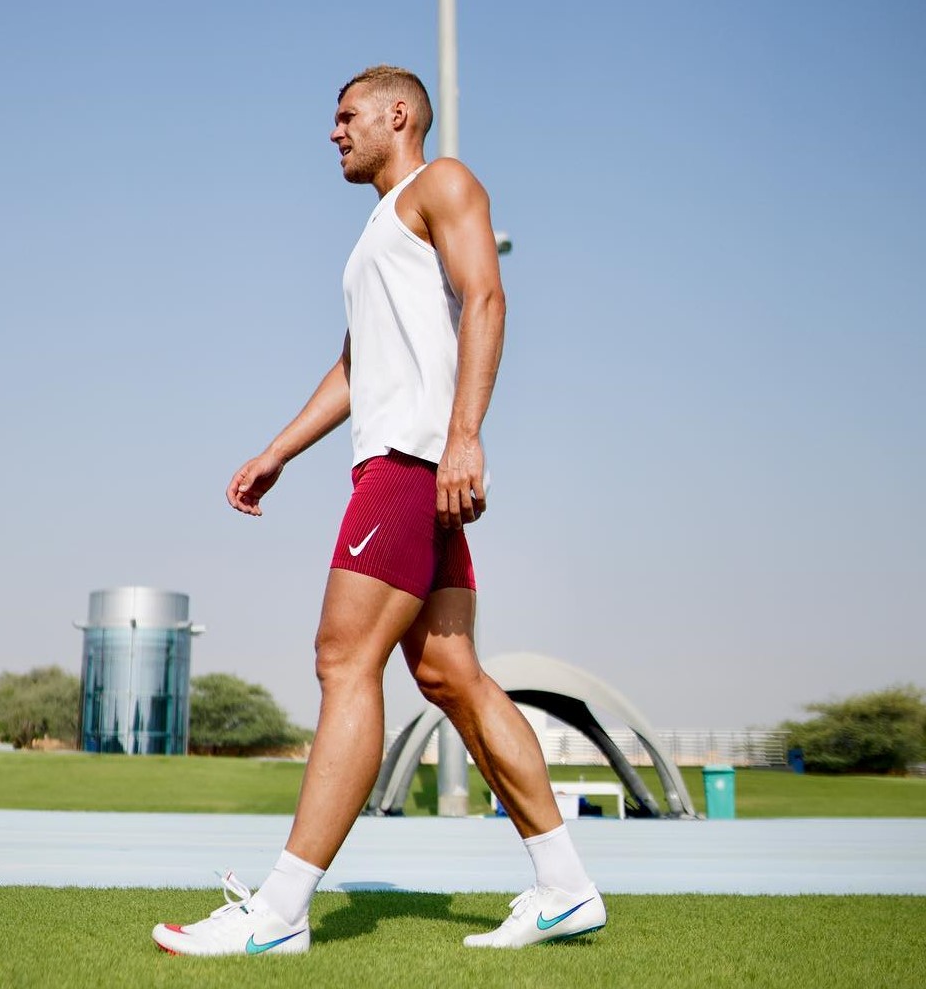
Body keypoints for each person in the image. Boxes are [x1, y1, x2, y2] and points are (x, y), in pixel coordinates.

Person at [152, 65, 605, 956]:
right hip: (400, 460)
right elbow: (357, 367)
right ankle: (565, 886)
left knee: (342, 659)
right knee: (449, 676)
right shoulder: (374, 234)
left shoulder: (442, 182)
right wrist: (277, 450)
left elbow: (487, 295)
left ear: (398, 114)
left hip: (410, 464)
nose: (333, 131)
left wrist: (464, 435)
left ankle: (279, 912)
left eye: (345, 114)